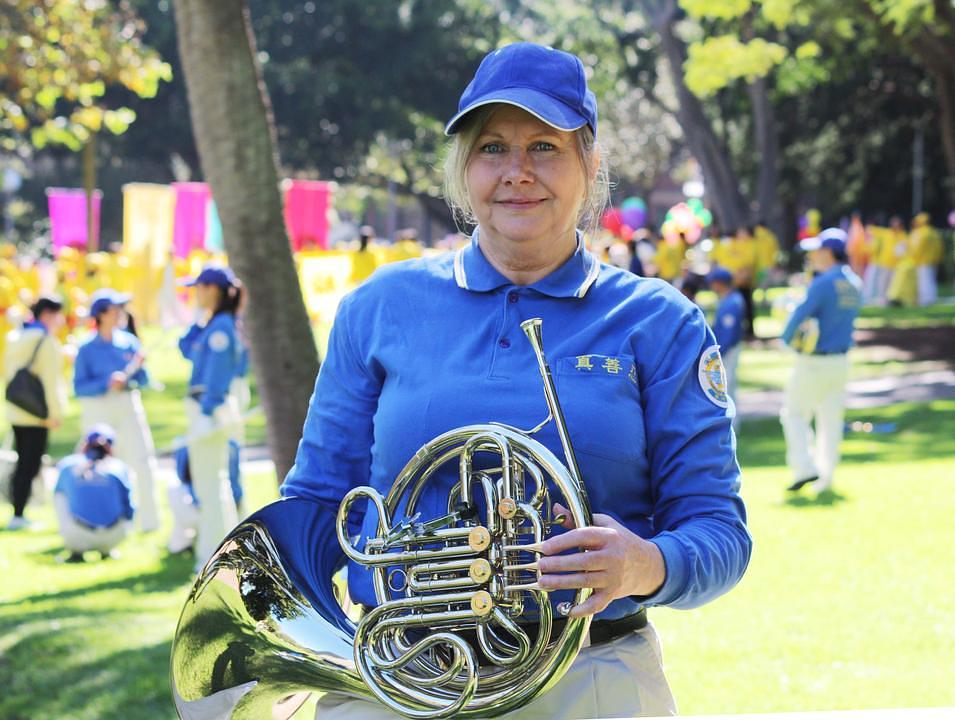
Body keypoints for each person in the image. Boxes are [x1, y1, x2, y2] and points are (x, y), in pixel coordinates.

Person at [282, 42, 751, 719]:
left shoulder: (659, 322)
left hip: (590, 672)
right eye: (493, 148)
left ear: (589, 166)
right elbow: (320, 498)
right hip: (398, 676)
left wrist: (641, 564)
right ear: (464, 169)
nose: (517, 173)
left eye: (545, 147)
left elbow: (718, 530)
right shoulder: (379, 306)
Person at [780, 228, 862, 494]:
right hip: (841, 360)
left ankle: (804, 467)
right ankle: (826, 477)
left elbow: (798, 317)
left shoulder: (823, 283)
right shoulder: (854, 283)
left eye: (817, 250)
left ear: (828, 252)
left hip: (814, 360)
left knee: (793, 413)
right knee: (831, 420)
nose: (814, 256)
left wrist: (787, 339)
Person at [73, 288, 160, 532]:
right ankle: (101, 522)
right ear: (101, 314)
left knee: (142, 460)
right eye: (115, 308)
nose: (121, 312)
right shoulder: (87, 348)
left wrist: (134, 376)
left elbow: (144, 380)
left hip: (128, 406)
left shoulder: (130, 342)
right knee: (99, 465)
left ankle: (148, 522)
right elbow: (79, 387)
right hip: (99, 409)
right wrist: (106, 382)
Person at [177, 265, 244, 570]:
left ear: (213, 289)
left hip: (210, 409)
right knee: (213, 483)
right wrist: (196, 319)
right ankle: (219, 549)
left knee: (210, 485)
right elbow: (186, 349)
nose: (195, 293)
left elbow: (217, 376)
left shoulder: (221, 328)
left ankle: (211, 553)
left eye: (199, 288)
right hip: (207, 409)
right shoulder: (214, 324)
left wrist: (206, 412)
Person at [3, 295, 66, 530]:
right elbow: (50, 381)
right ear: (48, 314)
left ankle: (17, 511)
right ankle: (18, 514)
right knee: (29, 465)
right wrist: (54, 413)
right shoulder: (44, 340)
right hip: (38, 413)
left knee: (23, 463)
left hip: (18, 409)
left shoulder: (15, 336)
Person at [53, 424, 134, 562]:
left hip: (77, 535)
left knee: (60, 494)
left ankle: (76, 551)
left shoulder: (68, 464)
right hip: (115, 535)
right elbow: (130, 508)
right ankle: (106, 549)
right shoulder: (119, 467)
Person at [707, 267, 744, 430]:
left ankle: (732, 424)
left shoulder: (732, 303)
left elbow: (728, 333)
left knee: (727, 385)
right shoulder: (729, 299)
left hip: (728, 350)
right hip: (726, 349)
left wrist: (718, 353)